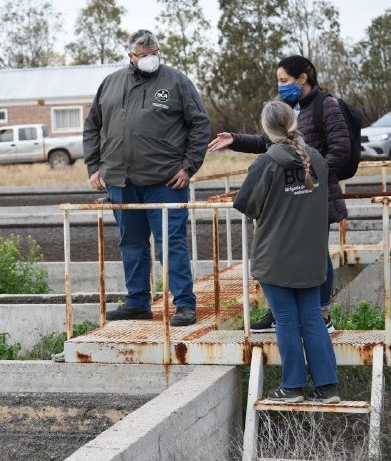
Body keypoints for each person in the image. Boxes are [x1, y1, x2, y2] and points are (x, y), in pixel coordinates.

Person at [208, 55, 349, 333]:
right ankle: (278, 313)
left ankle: (322, 314)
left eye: (284, 81)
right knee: (284, 252)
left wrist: (314, 173)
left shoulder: (326, 106)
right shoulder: (288, 107)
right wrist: (234, 140)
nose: (280, 86)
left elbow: (341, 148)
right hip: (289, 194)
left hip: (314, 194)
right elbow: (267, 141)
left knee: (318, 252)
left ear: (302, 79)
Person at [83, 29, 211, 327]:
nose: (151, 59)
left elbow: (200, 124)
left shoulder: (176, 81)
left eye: (155, 53)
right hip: (121, 182)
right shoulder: (111, 84)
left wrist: (189, 166)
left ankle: (185, 305)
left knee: (171, 243)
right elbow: (92, 127)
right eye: (145, 55)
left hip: (164, 182)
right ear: (131, 56)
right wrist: (93, 166)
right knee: (132, 243)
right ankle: (137, 302)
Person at [233, 100, 340, 403]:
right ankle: (328, 387)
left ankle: (292, 386)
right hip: (311, 256)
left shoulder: (267, 162)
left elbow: (245, 204)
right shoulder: (316, 159)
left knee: (286, 319)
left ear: (266, 129)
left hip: (276, 257)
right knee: (311, 316)